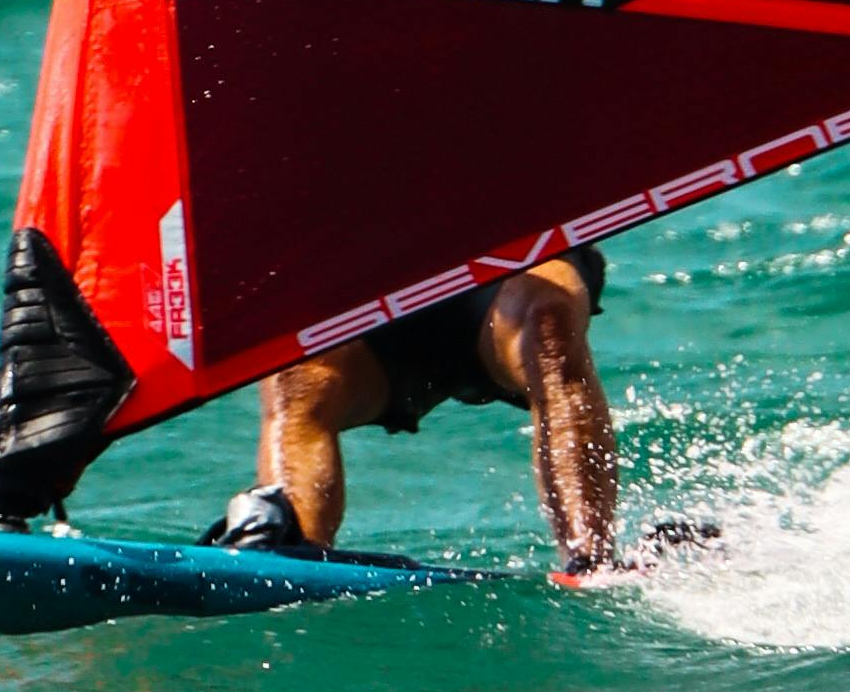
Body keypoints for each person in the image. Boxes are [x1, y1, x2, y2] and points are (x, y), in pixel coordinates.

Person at [206, 245, 622, 580]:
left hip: (509, 256)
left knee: (547, 324)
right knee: (297, 372)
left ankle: (590, 562)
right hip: (371, 273)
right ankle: (287, 565)